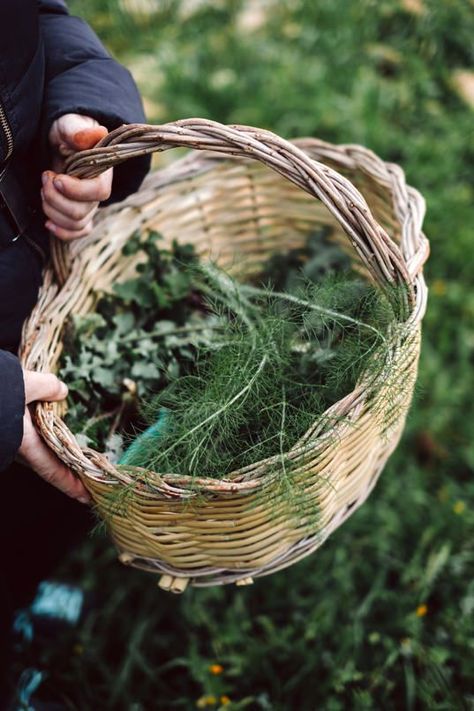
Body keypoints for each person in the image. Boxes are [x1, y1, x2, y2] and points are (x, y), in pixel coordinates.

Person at [0, 0, 151, 697]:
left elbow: (37, 19)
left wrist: (82, 114)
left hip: (24, 300)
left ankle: (12, 603)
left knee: (43, 498)